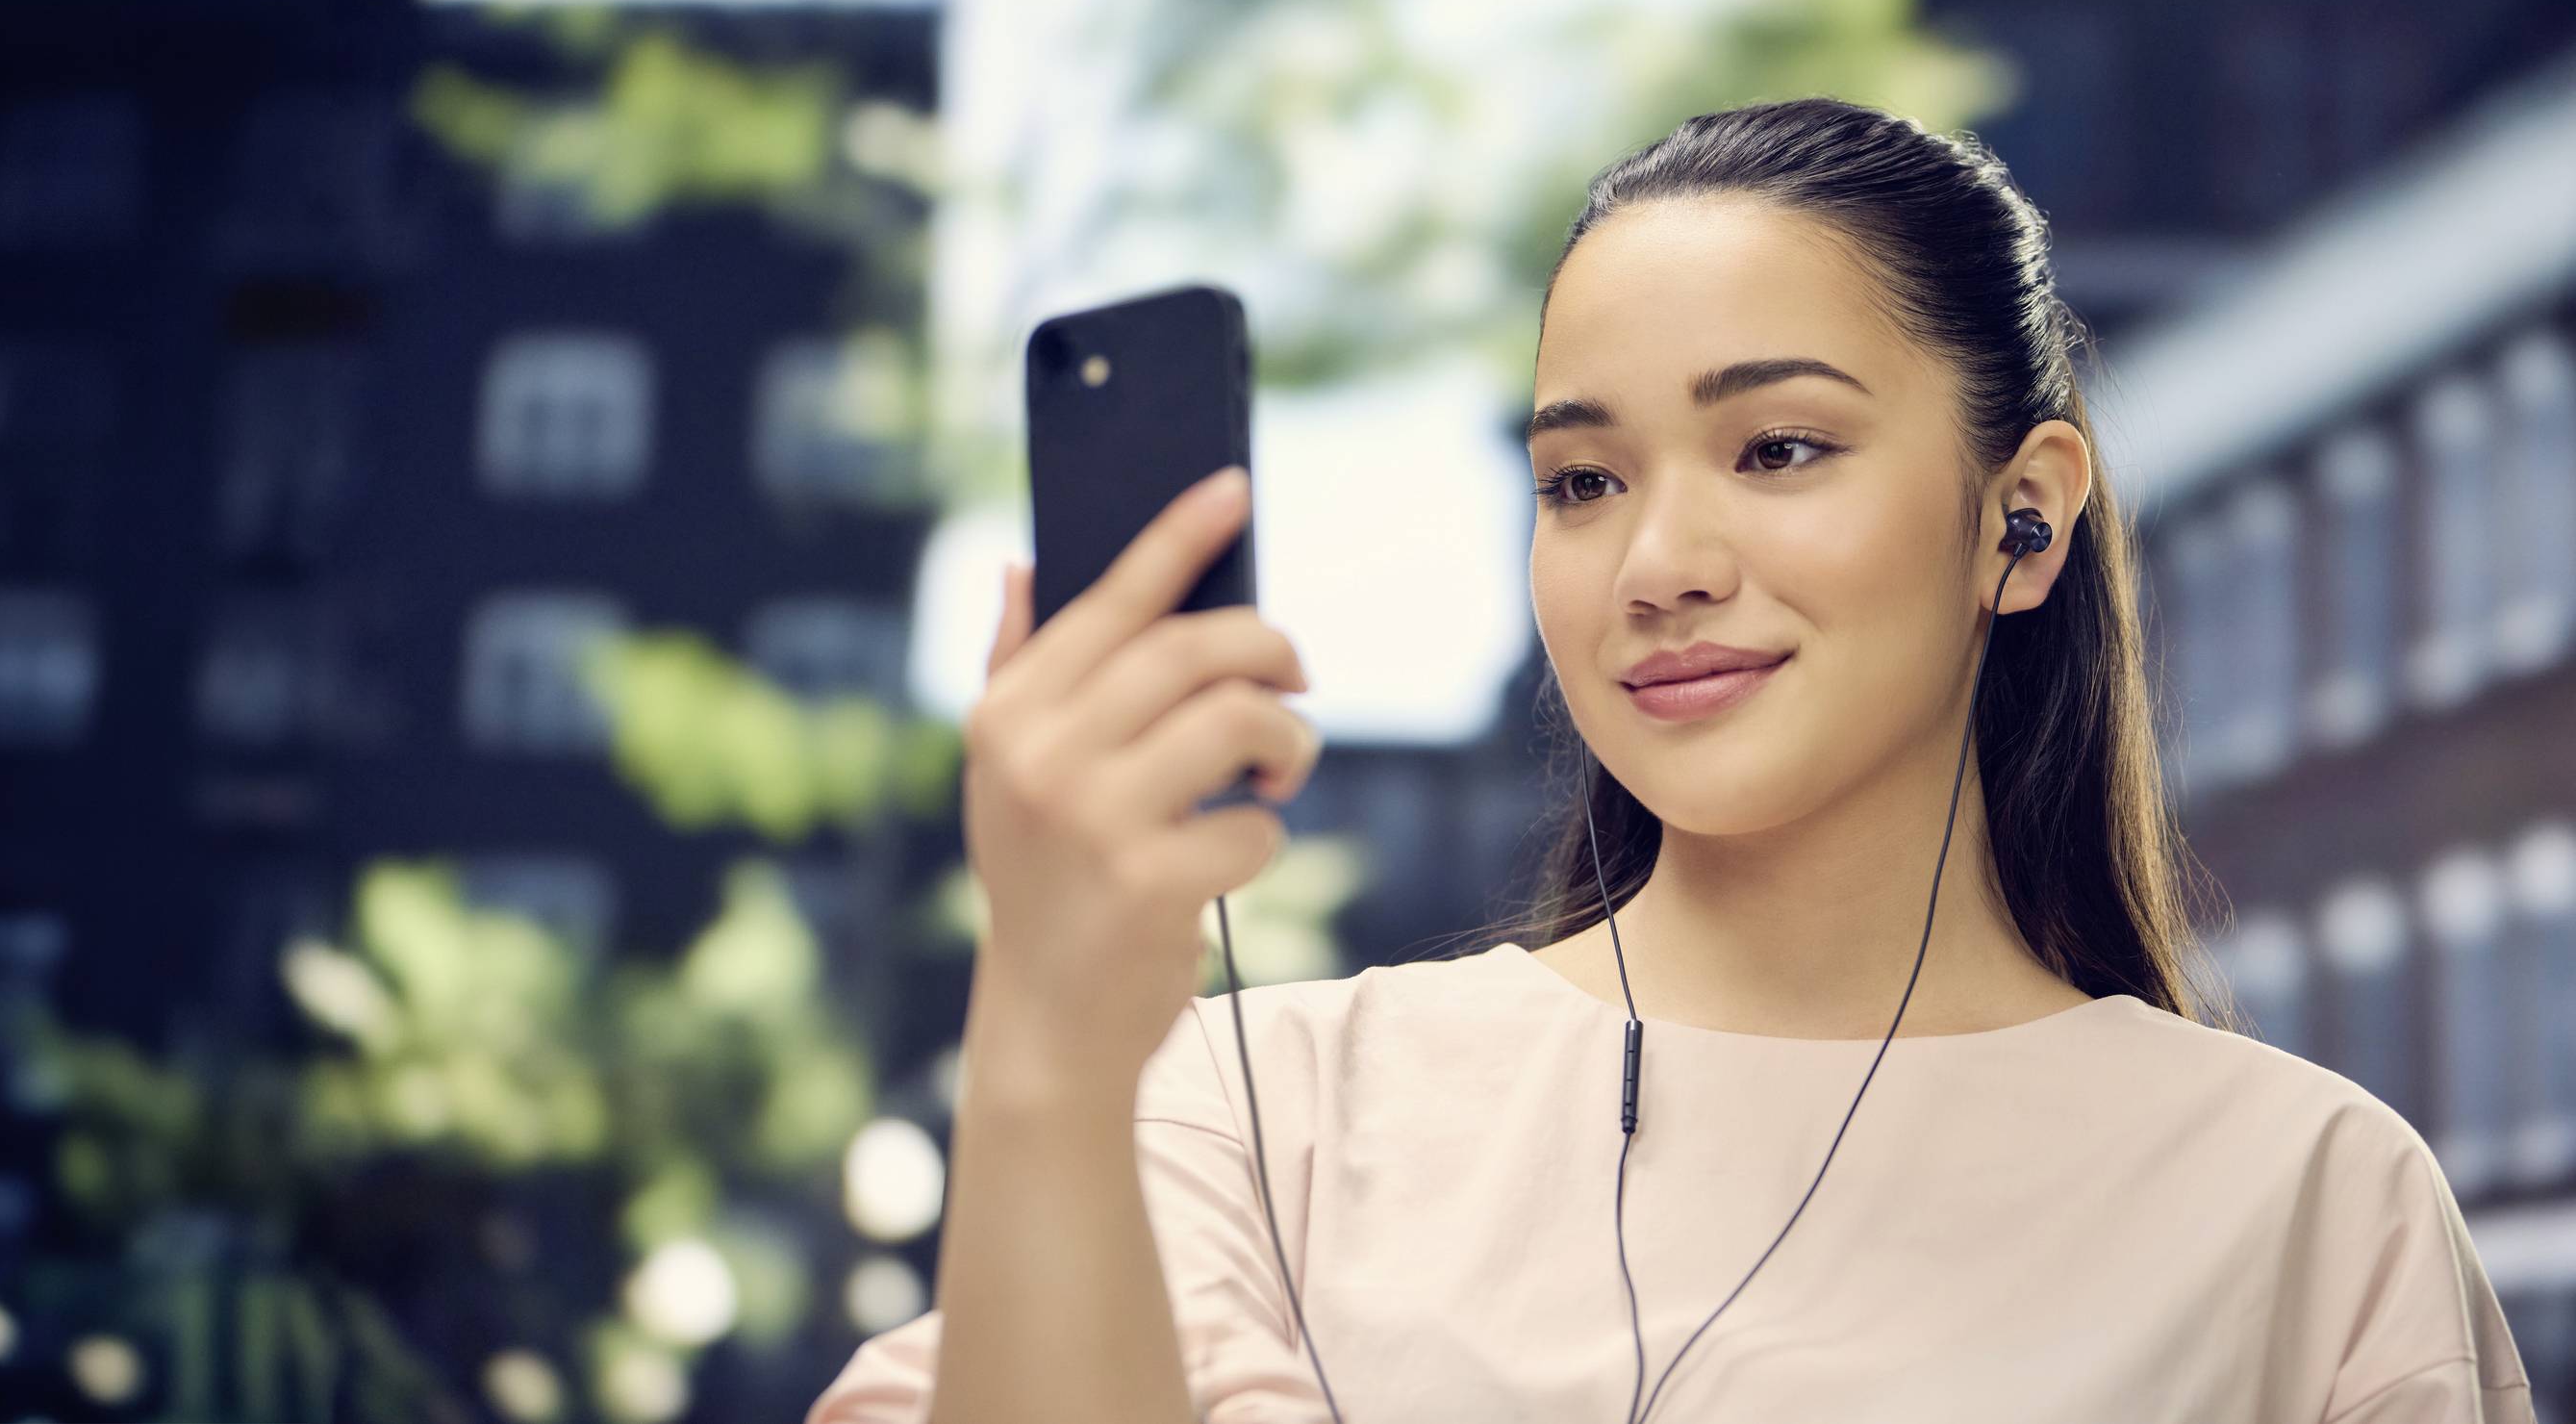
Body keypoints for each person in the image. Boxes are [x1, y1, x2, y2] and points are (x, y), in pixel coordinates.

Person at [804, 97, 2538, 1423]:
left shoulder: (2306, 1199)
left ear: (2025, 514)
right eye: (1583, 480)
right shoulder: (1247, 1112)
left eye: (1778, 446)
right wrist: (1042, 1021)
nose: (1658, 564)